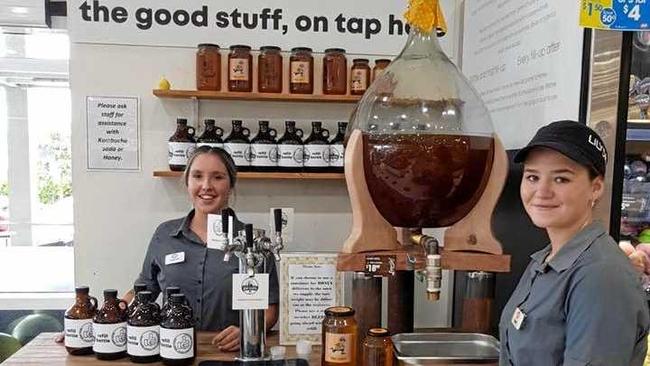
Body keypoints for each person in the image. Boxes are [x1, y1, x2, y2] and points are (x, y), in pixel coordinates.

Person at [499, 120, 649, 365]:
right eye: (533, 177)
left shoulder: (600, 276)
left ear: (596, 187)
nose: (542, 191)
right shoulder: (545, 260)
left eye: (561, 179)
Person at [126, 146, 279, 351]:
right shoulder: (164, 235)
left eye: (217, 177)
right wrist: (103, 318)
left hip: (228, 353)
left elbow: (269, 307)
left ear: (231, 184)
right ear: (187, 182)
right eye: (197, 176)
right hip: (171, 350)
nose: (206, 186)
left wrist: (249, 330)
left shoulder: (254, 243)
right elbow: (143, 292)